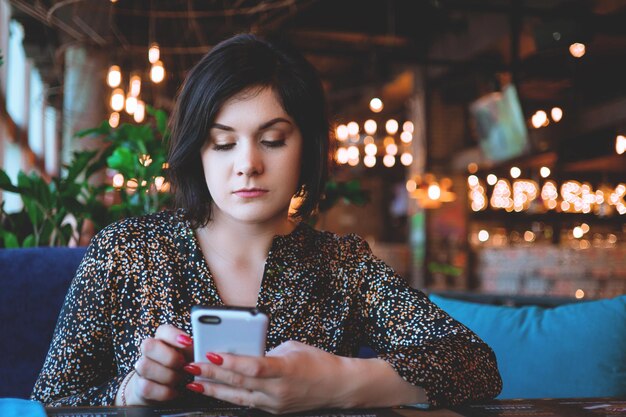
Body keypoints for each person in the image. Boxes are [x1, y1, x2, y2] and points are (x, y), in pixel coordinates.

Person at [32, 33, 502, 413]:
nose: (248, 164)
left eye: (272, 140)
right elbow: (49, 401)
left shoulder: (342, 266)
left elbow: (474, 366)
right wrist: (128, 393)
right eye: (223, 143)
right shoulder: (126, 251)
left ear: (307, 148)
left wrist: (338, 382)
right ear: (198, 152)